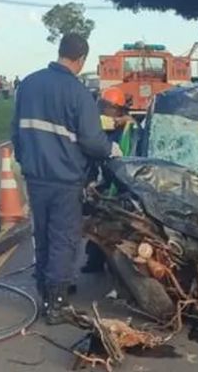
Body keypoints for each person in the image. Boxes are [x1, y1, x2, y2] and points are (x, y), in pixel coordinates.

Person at [12, 33, 121, 325]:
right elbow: (93, 142)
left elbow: (16, 133)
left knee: (44, 234)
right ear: (82, 58)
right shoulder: (78, 93)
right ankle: (57, 303)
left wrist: (27, 162)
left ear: (60, 51)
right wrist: (112, 148)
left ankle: (45, 291)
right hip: (65, 179)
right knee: (63, 238)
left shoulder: (28, 85)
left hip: (36, 177)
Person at [82, 87, 136, 274]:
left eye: (109, 108)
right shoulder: (98, 129)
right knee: (97, 221)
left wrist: (129, 122)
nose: (104, 112)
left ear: (119, 110)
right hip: (102, 181)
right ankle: (95, 261)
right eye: (102, 107)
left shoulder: (127, 129)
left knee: (114, 225)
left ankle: (112, 264)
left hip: (119, 183)